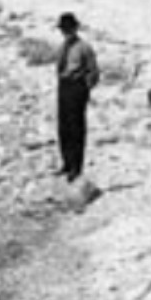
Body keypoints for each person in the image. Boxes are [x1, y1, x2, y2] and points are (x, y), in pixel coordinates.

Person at [54, 12, 100, 180]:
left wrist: (84, 89)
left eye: (67, 29)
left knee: (76, 128)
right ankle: (66, 163)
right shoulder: (62, 47)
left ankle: (76, 166)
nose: (65, 32)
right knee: (63, 126)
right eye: (63, 29)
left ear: (74, 29)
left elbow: (93, 71)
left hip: (77, 86)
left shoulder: (84, 47)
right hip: (64, 86)